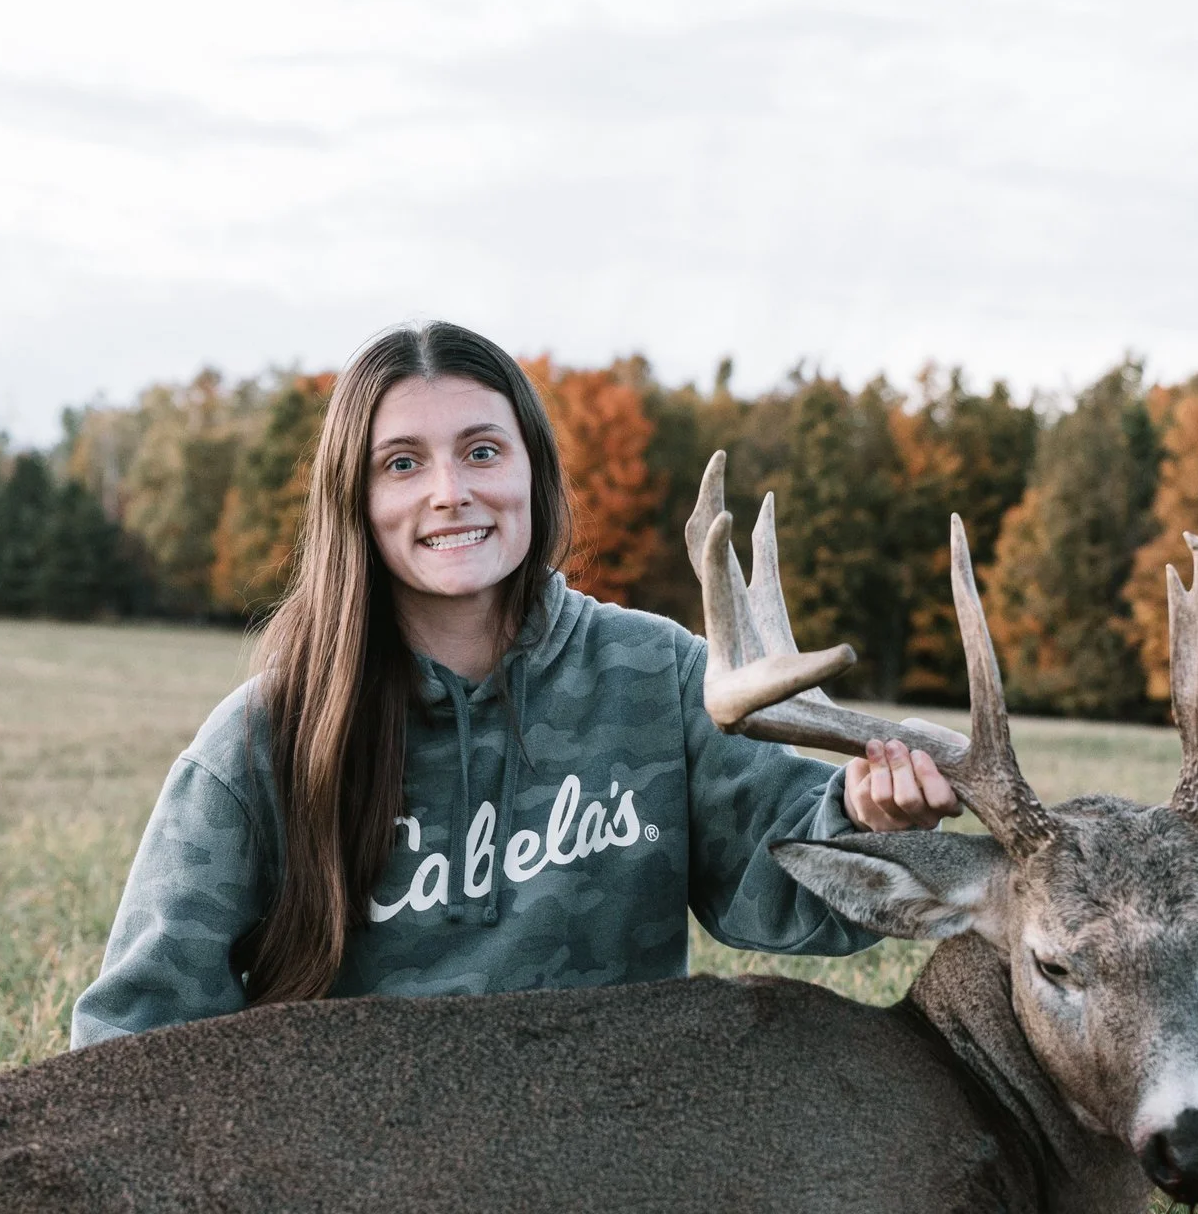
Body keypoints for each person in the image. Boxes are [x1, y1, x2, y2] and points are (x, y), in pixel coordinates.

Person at [69, 322, 961, 1047]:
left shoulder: (656, 675)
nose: (450, 492)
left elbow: (784, 883)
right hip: (352, 1181)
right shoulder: (270, 735)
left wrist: (869, 819)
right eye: (403, 463)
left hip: (607, 1155)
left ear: (533, 468)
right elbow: (135, 1028)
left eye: (483, 452)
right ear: (355, 500)